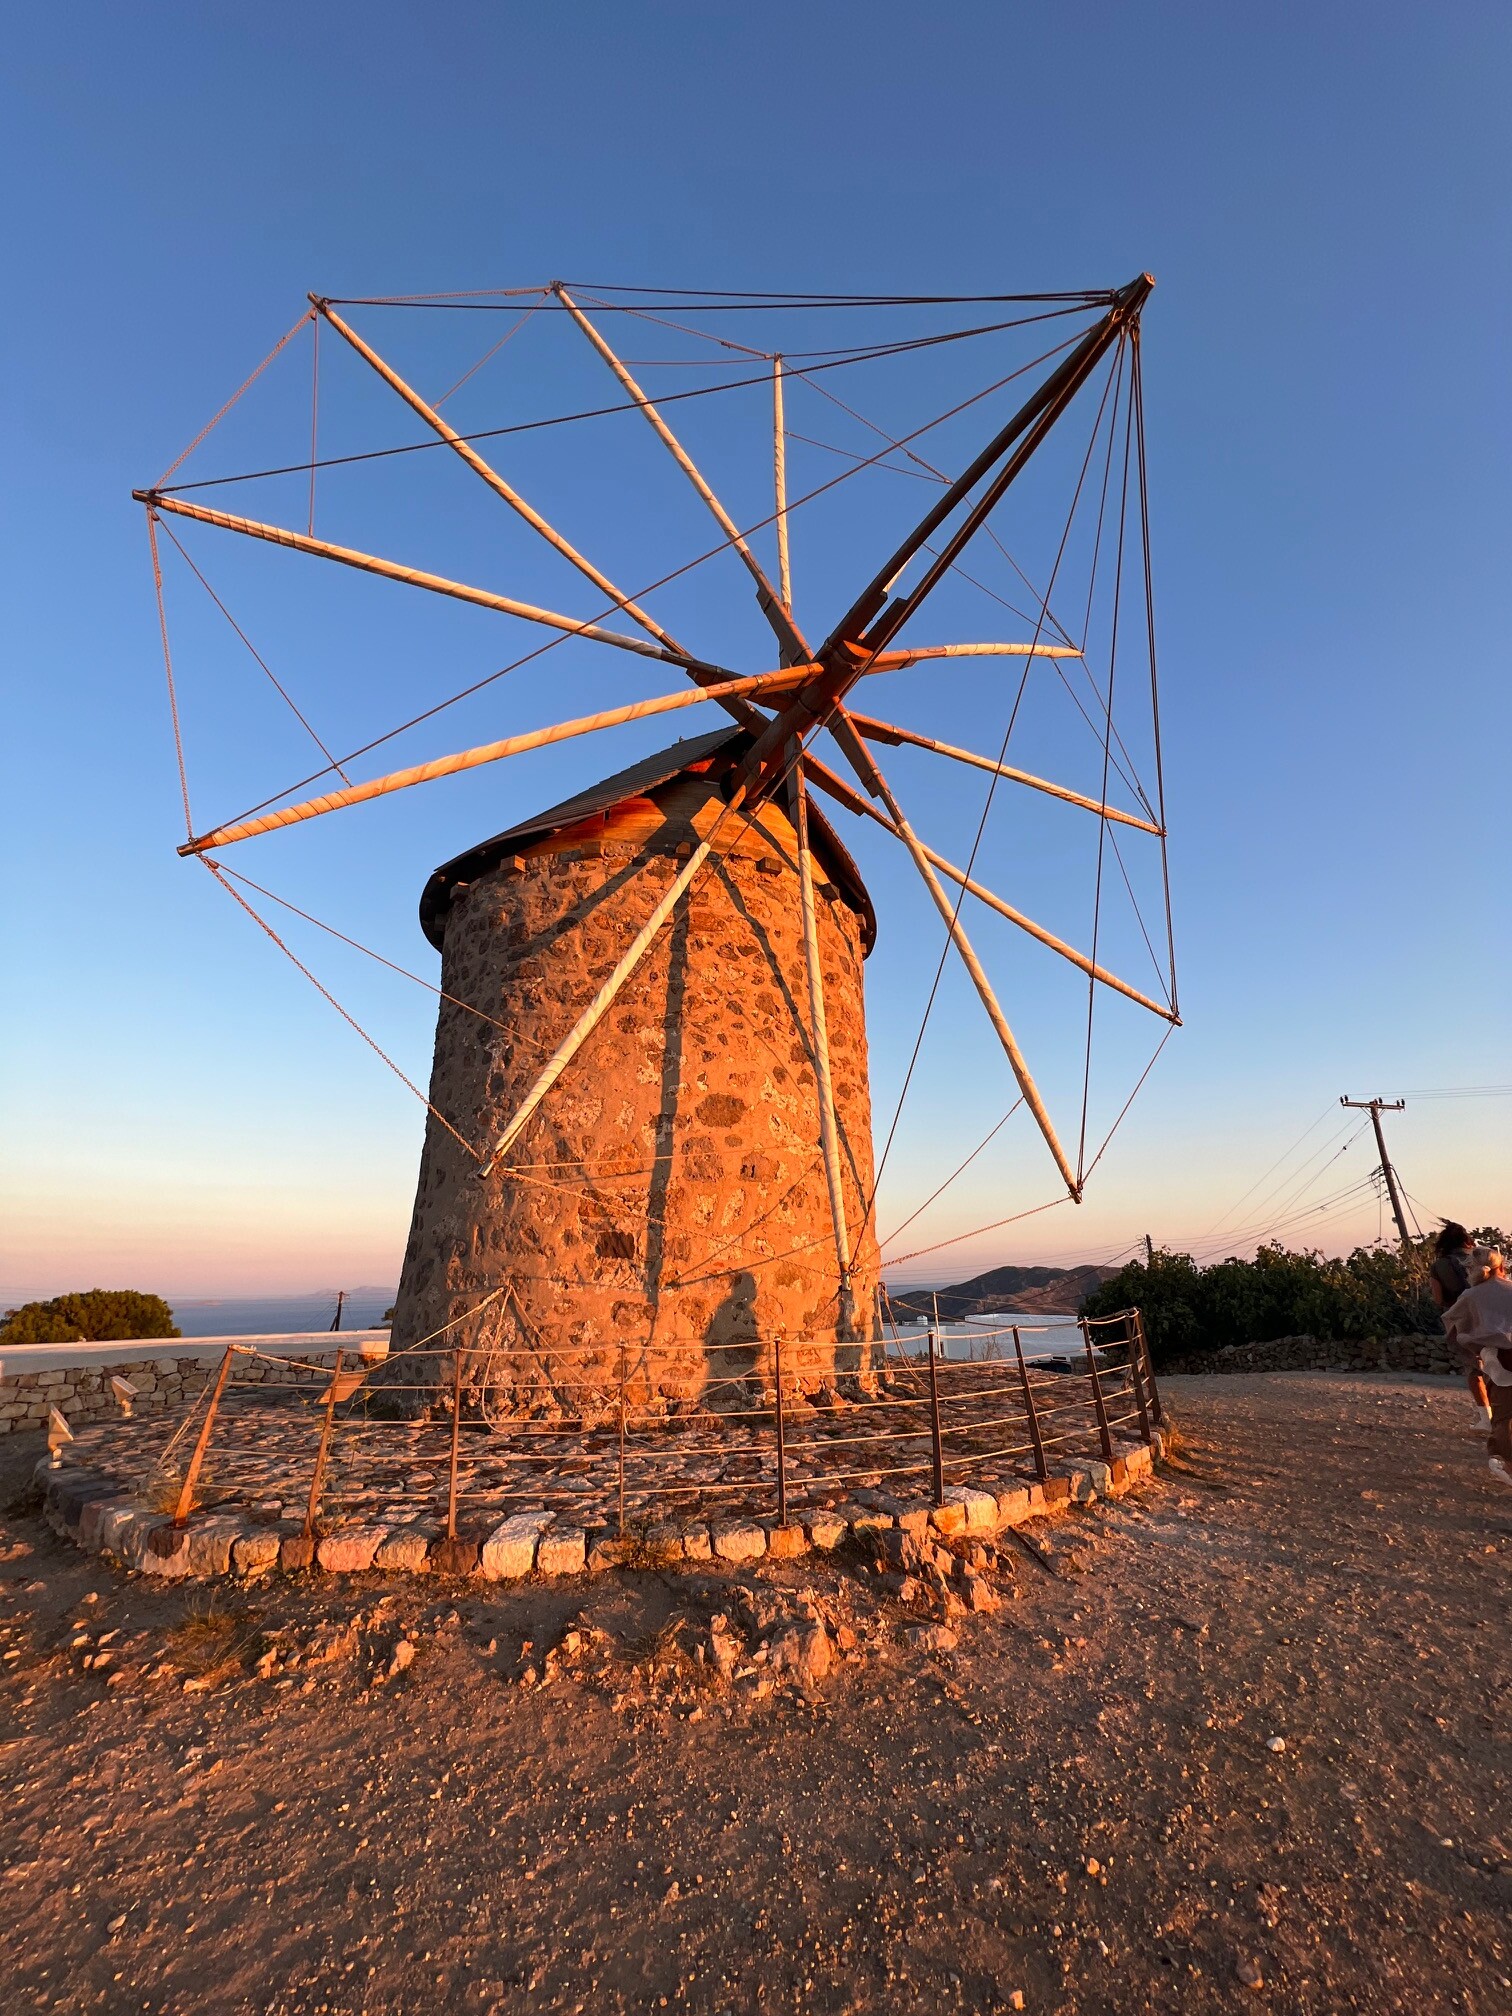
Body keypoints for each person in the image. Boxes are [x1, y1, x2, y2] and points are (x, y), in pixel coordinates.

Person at [1443, 1248, 1512, 1488]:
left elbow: (1452, 1327)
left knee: (1504, 1417)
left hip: (1501, 1361)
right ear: (1501, 1266)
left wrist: (1472, 1349)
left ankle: (1506, 1463)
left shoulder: (1471, 1296)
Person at [1431, 1223, 1490, 1421]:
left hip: (1461, 1320)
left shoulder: (1439, 1265)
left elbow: (1438, 1299)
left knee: (1474, 1368)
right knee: (1498, 1364)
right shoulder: (1482, 1257)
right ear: (1466, 1239)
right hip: (1491, 1316)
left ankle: (1486, 1417)